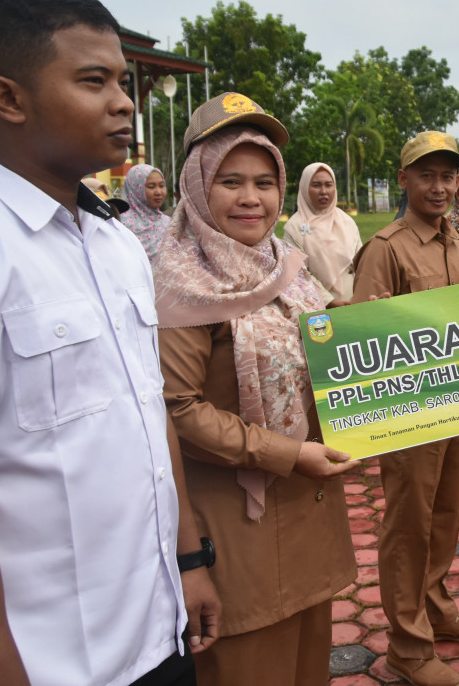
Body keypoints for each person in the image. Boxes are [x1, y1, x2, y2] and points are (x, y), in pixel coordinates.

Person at [0, 0, 218, 686]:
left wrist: (190, 559)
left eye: (122, 80)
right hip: (41, 663)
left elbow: (149, 415)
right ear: (8, 97)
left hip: (154, 633)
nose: (124, 102)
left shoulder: (113, 245)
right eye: (92, 80)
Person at [153, 95, 357, 685]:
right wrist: (290, 454)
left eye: (265, 182)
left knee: (305, 664)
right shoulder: (182, 284)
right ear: (196, 184)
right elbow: (177, 410)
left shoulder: (285, 266)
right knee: (250, 666)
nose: (251, 198)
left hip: (308, 511)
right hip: (235, 526)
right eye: (231, 181)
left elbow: (322, 349)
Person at [352, 131, 459, 686]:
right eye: (427, 175)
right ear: (403, 180)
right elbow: (365, 338)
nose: (440, 187)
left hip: (456, 400)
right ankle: (407, 646)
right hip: (407, 411)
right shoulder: (385, 248)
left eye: (448, 176)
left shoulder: (456, 241)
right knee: (408, 523)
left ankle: (435, 605)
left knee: (445, 512)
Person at [282, 161, 362, 303]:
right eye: (316, 185)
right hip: (317, 306)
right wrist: (329, 301)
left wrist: (362, 294)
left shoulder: (346, 221)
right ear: (305, 187)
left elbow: (362, 262)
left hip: (355, 301)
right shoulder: (294, 227)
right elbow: (298, 274)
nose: (323, 191)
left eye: (328, 185)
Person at [121, 163, 172, 260]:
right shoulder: (121, 224)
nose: (158, 192)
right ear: (135, 188)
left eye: (161, 186)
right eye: (151, 186)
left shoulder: (168, 223)